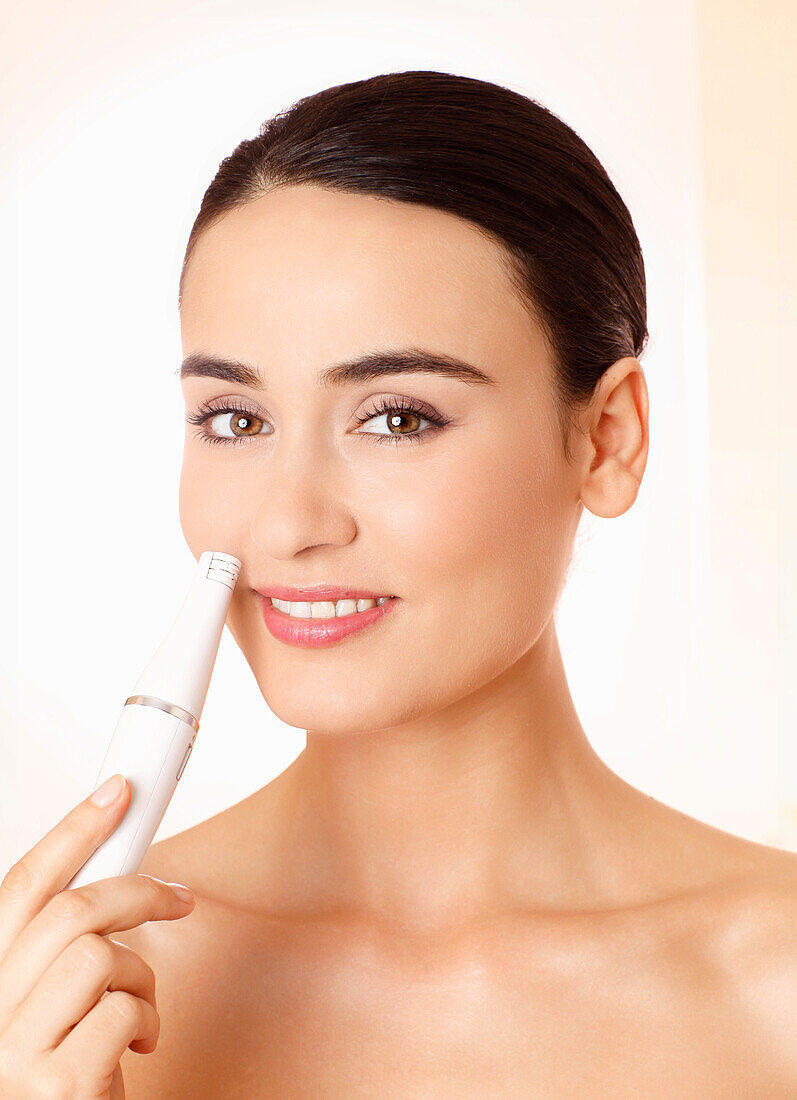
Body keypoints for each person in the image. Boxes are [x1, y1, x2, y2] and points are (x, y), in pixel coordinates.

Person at [2, 70, 795, 1099]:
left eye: (395, 417)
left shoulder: (774, 985)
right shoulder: (75, 1003)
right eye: (235, 419)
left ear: (605, 437)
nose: (287, 524)